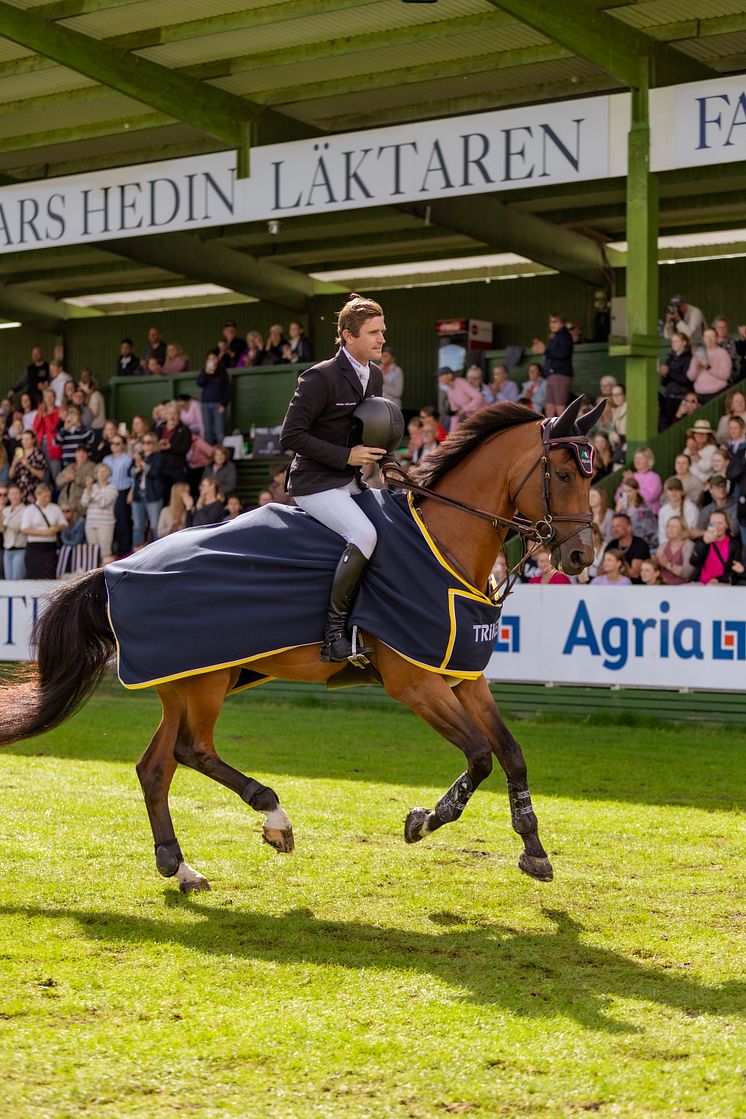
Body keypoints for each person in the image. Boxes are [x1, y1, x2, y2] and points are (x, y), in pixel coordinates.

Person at [280, 292, 399, 664]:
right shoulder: (320, 377)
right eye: (373, 332)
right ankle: (333, 636)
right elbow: (291, 436)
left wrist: (391, 466)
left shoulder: (374, 376)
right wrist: (347, 456)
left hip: (351, 482)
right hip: (314, 483)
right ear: (348, 336)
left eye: (382, 331)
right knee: (365, 534)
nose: (382, 339)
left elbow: (374, 430)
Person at [532, 312, 573, 417]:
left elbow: (563, 353)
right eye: (550, 322)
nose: (552, 324)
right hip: (551, 376)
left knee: (560, 408)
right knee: (549, 407)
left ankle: (563, 432)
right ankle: (550, 432)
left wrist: (545, 350)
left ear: (562, 323)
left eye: (555, 321)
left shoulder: (565, 335)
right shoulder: (556, 336)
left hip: (560, 374)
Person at [21, 483, 66, 578]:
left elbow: (64, 523)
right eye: (44, 496)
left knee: (48, 574)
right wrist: (44, 533)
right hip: (34, 547)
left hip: (50, 547)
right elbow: (24, 529)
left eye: (49, 496)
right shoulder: (30, 509)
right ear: (37, 495)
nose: (47, 499)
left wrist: (56, 528)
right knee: (33, 575)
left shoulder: (55, 508)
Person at [129, 433, 163, 548]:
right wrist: (137, 468)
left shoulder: (158, 456)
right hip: (138, 495)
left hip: (153, 495)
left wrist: (143, 464)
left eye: (148, 442)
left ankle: (158, 552)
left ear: (154, 444)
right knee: (138, 526)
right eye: (143, 442)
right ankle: (135, 554)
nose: (145, 445)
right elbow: (129, 472)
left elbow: (155, 473)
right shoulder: (139, 456)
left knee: (154, 526)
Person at [103, 433, 134, 557]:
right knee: (110, 522)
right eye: (112, 443)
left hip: (122, 492)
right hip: (108, 492)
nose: (114, 446)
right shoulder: (106, 459)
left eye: (118, 443)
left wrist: (131, 492)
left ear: (123, 445)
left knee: (123, 522)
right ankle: (113, 552)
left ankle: (124, 553)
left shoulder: (128, 459)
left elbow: (133, 478)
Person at [80, 463, 118, 564]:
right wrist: (89, 490)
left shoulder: (112, 488)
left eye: (104, 471)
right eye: (99, 471)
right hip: (90, 523)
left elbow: (103, 503)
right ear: (95, 474)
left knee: (105, 552)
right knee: (93, 552)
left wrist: (91, 492)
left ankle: (105, 576)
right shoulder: (91, 487)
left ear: (109, 473)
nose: (101, 473)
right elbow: (84, 502)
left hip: (105, 524)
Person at [691, 510, 742, 584]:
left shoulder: (734, 544)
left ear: (727, 525)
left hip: (721, 584)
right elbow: (694, 562)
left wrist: (719, 580)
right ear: (709, 525)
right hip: (701, 583)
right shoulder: (702, 541)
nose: (717, 527)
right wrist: (703, 543)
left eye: (720, 523)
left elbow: (734, 572)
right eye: (713, 523)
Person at [156, 401, 192, 500]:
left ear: (179, 415)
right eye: (170, 413)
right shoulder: (159, 428)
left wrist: (171, 447)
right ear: (166, 415)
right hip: (161, 467)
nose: (172, 416)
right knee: (163, 496)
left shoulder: (185, 429)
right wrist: (158, 446)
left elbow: (186, 448)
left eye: (175, 413)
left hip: (177, 468)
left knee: (179, 497)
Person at [687, 327, 731, 402]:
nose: (709, 339)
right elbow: (691, 377)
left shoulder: (722, 353)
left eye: (712, 336)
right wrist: (696, 367)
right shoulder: (698, 352)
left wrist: (708, 367)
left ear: (716, 338)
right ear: (703, 339)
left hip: (718, 394)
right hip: (699, 394)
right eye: (706, 336)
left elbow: (726, 376)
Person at [658, 331, 692, 427]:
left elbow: (686, 379)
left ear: (684, 343)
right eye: (672, 341)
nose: (673, 344)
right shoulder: (670, 358)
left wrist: (669, 372)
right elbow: (663, 383)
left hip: (681, 397)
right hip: (669, 396)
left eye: (676, 341)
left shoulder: (689, 358)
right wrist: (664, 375)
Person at [197, 353, 231, 445]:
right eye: (209, 359)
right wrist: (206, 373)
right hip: (205, 405)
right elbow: (199, 383)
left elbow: (227, 390)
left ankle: (222, 452)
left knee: (219, 430)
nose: (212, 360)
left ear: (217, 359)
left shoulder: (223, 372)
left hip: (218, 405)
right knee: (207, 431)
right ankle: (209, 453)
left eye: (213, 358)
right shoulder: (205, 372)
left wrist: (224, 404)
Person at [606, 512, 650, 584]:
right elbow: (601, 571)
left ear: (629, 528)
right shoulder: (611, 545)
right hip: (612, 587)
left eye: (618, 526)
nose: (615, 530)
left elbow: (635, 573)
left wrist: (612, 571)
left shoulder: (640, 544)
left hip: (636, 589)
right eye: (613, 527)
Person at [692, 474, 738, 539]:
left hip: (731, 541)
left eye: (723, 486)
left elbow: (734, 531)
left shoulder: (736, 505)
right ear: (711, 490)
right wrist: (706, 533)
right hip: (711, 540)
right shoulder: (707, 509)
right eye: (717, 487)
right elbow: (696, 532)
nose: (721, 489)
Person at [618, 447, 662, 513]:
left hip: (647, 514)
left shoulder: (654, 477)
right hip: (628, 513)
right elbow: (619, 497)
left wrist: (634, 480)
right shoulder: (630, 476)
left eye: (640, 458)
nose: (637, 461)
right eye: (635, 458)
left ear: (649, 460)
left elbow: (648, 498)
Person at [56, 444, 96, 514]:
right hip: (64, 502)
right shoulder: (70, 466)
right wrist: (65, 479)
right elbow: (58, 481)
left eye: (84, 452)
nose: (81, 454)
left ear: (87, 455)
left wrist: (75, 478)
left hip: (79, 503)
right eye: (79, 452)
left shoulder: (91, 466)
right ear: (75, 454)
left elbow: (89, 483)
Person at [9, 429, 47, 503]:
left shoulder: (39, 454)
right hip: (19, 491)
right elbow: (10, 476)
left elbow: (42, 476)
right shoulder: (18, 453)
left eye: (27, 439)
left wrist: (28, 465)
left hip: (33, 489)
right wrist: (14, 464)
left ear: (33, 440)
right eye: (23, 439)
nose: (25, 441)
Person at [655, 516, 695, 586]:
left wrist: (667, 565)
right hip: (662, 586)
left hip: (682, 587)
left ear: (683, 530)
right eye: (668, 526)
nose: (670, 529)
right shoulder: (662, 547)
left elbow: (687, 573)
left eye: (674, 527)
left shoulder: (689, 545)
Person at [2, 483, 26, 579]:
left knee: (17, 580)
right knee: (8, 580)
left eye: (17, 493)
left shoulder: (25, 510)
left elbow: (17, 528)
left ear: (21, 495)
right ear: (8, 496)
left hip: (20, 550)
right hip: (7, 550)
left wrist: (3, 519)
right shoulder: (5, 510)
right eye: (12, 494)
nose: (14, 496)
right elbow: (1, 529)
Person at [686, 418, 718, 483]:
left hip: (703, 484)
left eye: (704, 433)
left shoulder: (712, 449)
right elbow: (683, 465)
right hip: (688, 482)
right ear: (694, 435)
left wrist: (694, 452)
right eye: (698, 433)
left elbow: (705, 468)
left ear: (708, 436)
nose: (700, 435)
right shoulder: (688, 448)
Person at [608, 383, 627, 461]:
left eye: (619, 394)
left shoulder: (630, 409)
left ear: (625, 395)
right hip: (618, 450)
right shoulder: (615, 411)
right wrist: (613, 436)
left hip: (626, 450)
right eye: (614, 395)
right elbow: (611, 431)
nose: (616, 397)